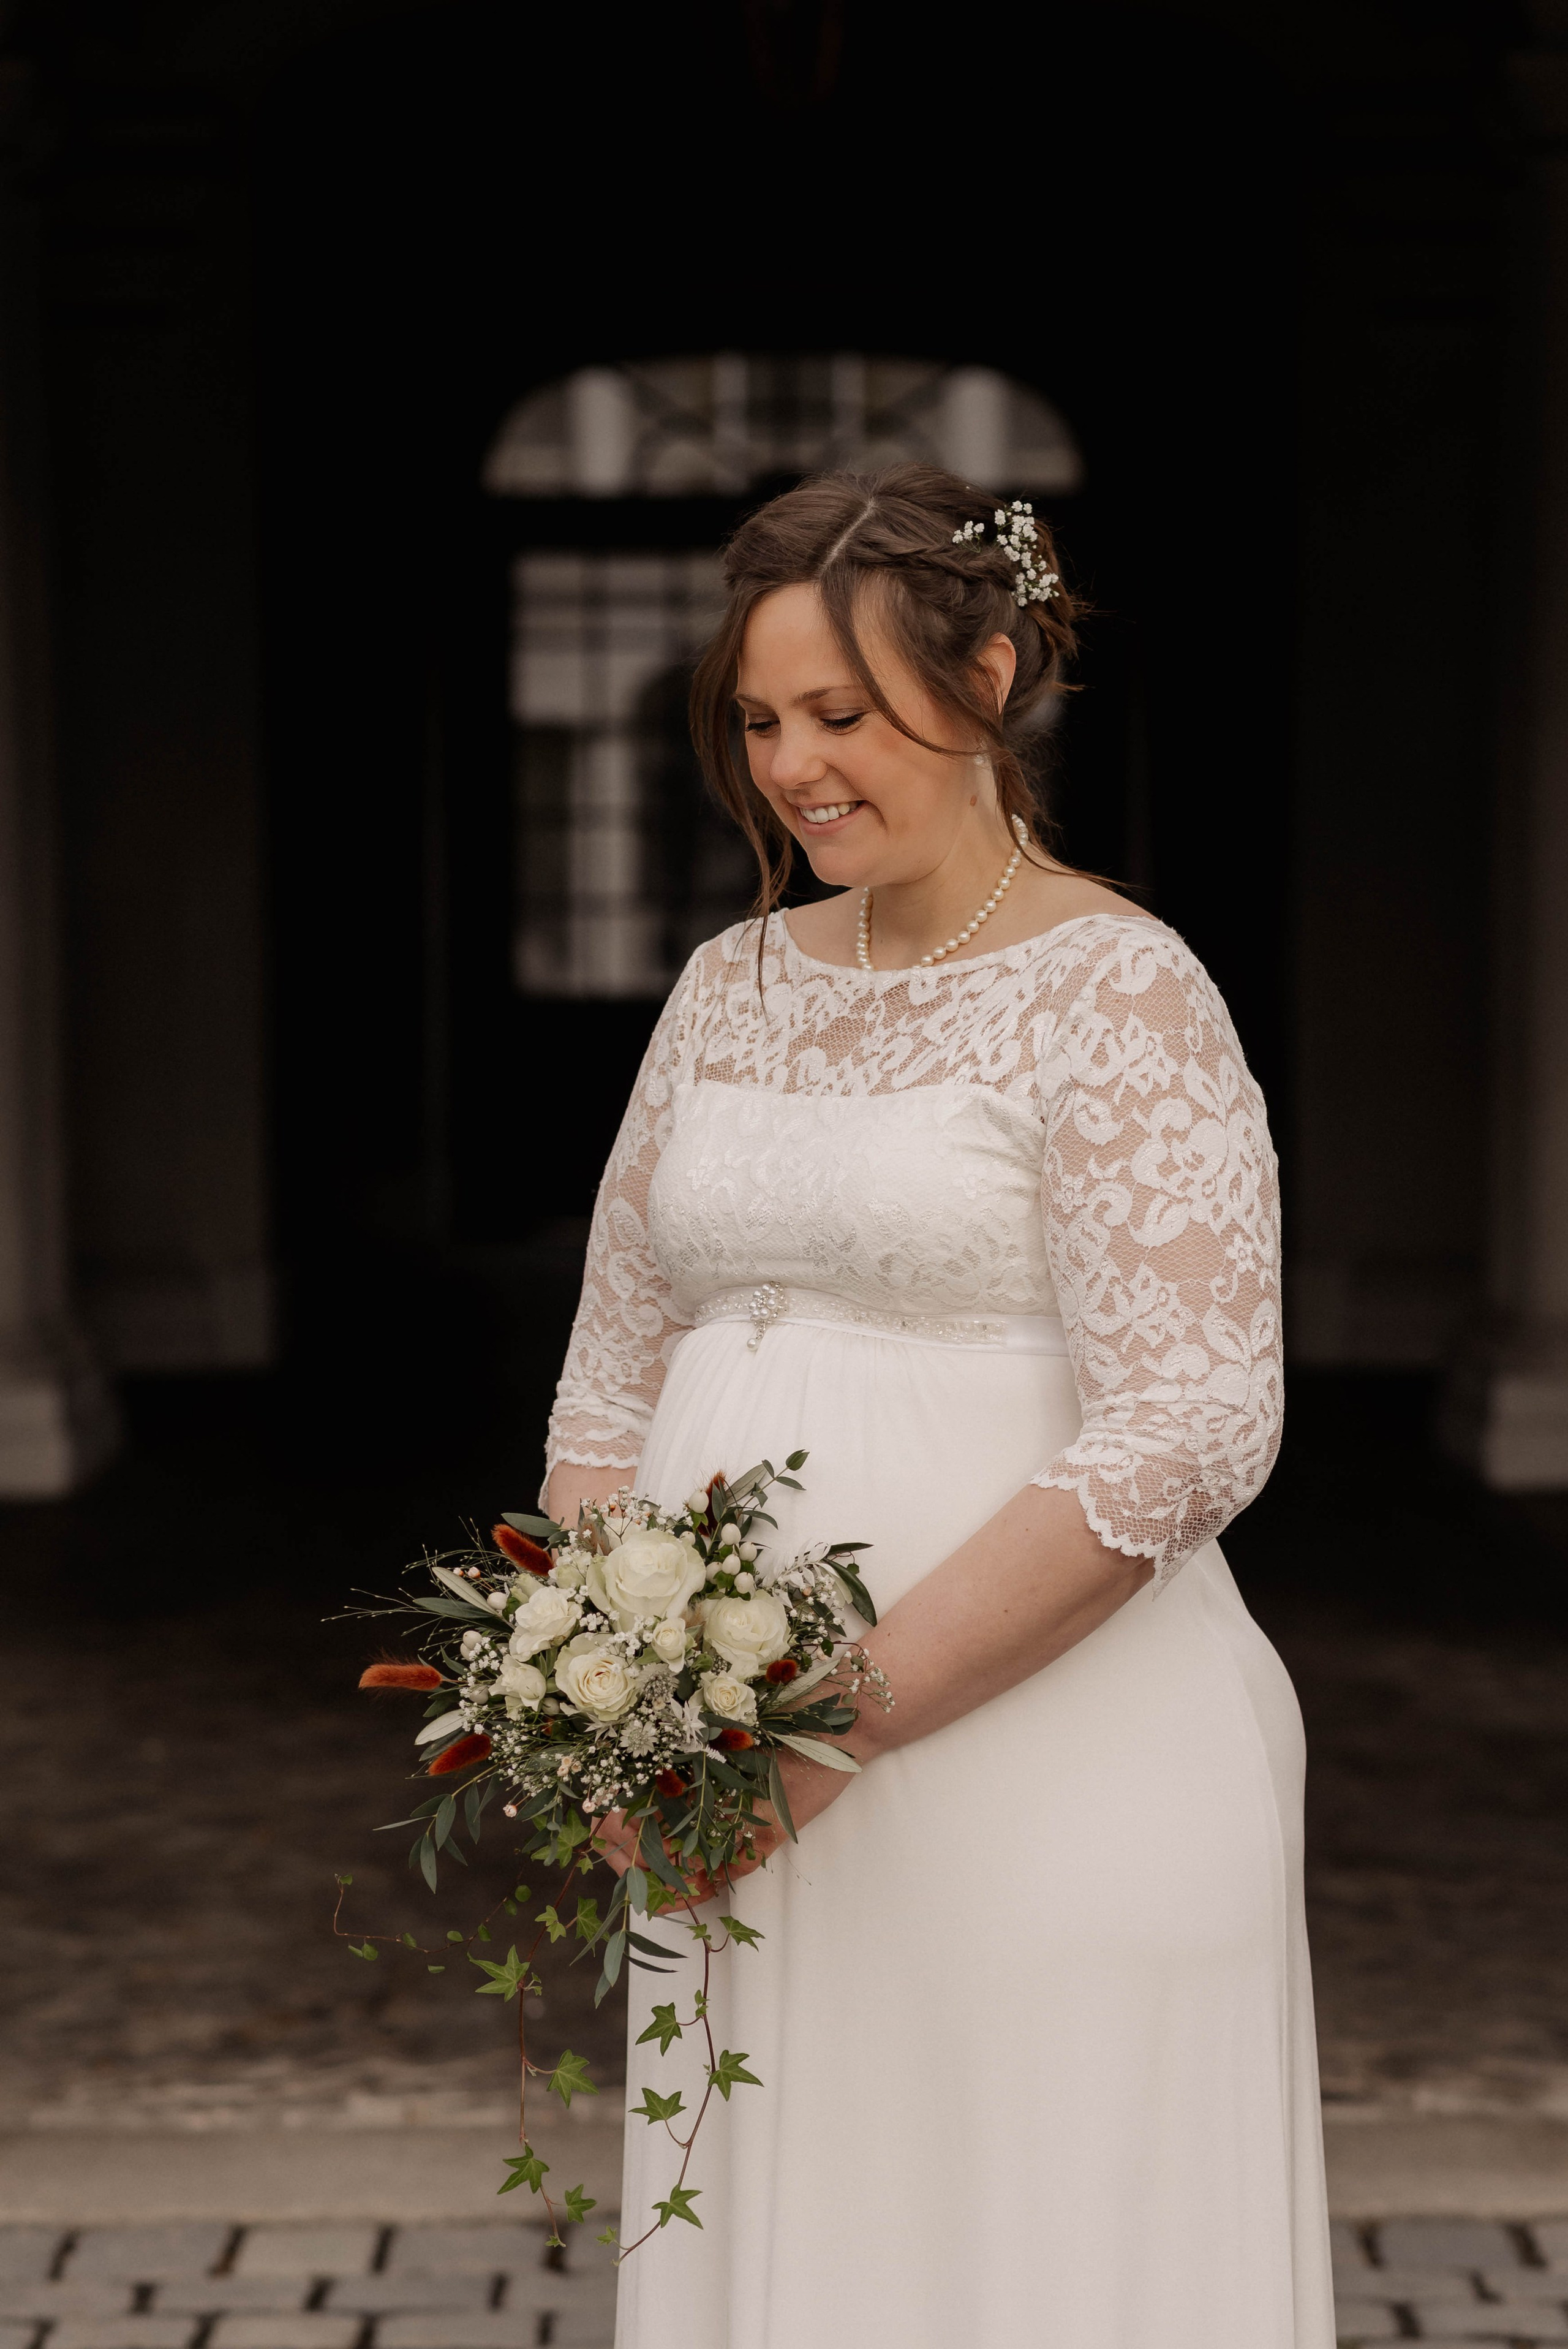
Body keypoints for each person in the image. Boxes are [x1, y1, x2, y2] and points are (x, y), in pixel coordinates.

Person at [543, 462, 1333, 2348]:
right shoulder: (724, 986)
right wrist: (607, 1709)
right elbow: (608, 1369)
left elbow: (1195, 1426)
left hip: (1048, 1775)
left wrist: (822, 1736)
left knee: (1036, 2259)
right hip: (733, 1798)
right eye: (758, 718)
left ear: (984, 677)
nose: (794, 763)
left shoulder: (1123, 991)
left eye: (841, 711)